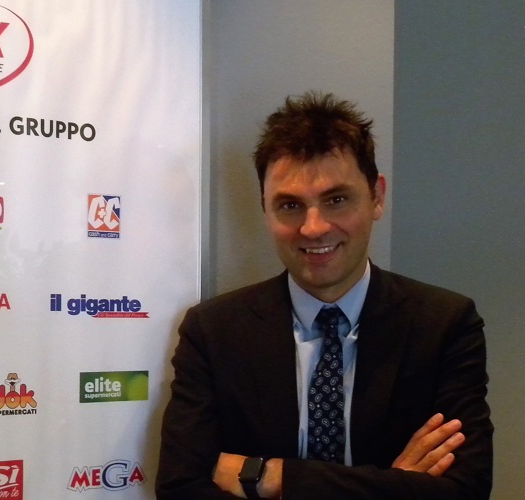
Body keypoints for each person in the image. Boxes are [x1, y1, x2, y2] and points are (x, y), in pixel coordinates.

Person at [155, 92, 493, 499]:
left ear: (377, 197)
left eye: (336, 200)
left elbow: (465, 489)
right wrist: (396, 485)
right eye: (290, 205)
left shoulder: (443, 325)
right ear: (265, 209)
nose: (313, 228)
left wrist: (274, 477)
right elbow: (179, 487)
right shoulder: (213, 332)